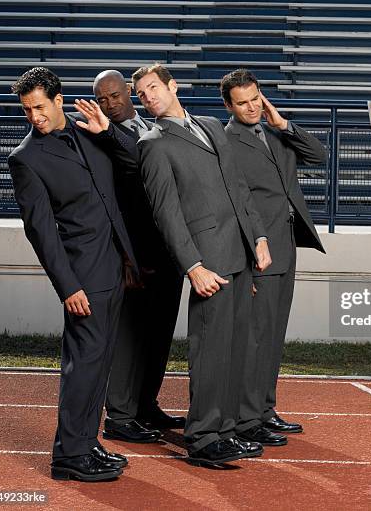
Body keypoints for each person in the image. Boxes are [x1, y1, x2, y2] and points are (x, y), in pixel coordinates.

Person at [133, 64, 272, 465]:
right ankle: (204, 437)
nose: (149, 97)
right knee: (211, 351)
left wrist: (259, 237)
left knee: (234, 348)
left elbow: (239, 188)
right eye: (142, 94)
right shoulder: (153, 143)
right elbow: (166, 213)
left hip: (241, 252)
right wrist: (192, 266)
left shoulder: (212, 125)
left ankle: (225, 429)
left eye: (154, 88)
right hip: (208, 260)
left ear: (172, 85)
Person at [8, 67, 138, 481]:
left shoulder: (90, 131)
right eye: (27, 111)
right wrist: (68, 287)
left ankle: (88, 442)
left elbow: (136, 160)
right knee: (82, 366)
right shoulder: (25, 158)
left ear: (59, 99)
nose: (35, 118)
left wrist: (108, 133)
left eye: (40, 107)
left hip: (116, 267)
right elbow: (42, 233)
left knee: (99, 366)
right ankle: (69, 457)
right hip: (83, 278)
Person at [221, 69, 326, 441]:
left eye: (255, 99)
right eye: (242, 102)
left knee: (274, 335)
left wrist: (283, 123)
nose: (251, 107)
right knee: (255, 338)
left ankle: (265, 409)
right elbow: (235, 202)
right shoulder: (226, 141)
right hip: (259, 251)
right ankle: (247, 420)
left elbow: (319, 154)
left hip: (286, 245)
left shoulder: (276, 132)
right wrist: (248, 255)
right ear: (228, 106)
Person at [92, 70, 184, 443]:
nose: (110, 104)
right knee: (130, 338)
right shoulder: (99, 137)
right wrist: (123, 257)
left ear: (129, 93)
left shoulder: (151, 126)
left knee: (158, 335)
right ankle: (119, 415)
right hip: (132, 256)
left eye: (115, 96)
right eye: (102, 99)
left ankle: (146, 404)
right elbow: (107, 205)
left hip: (167, 251)